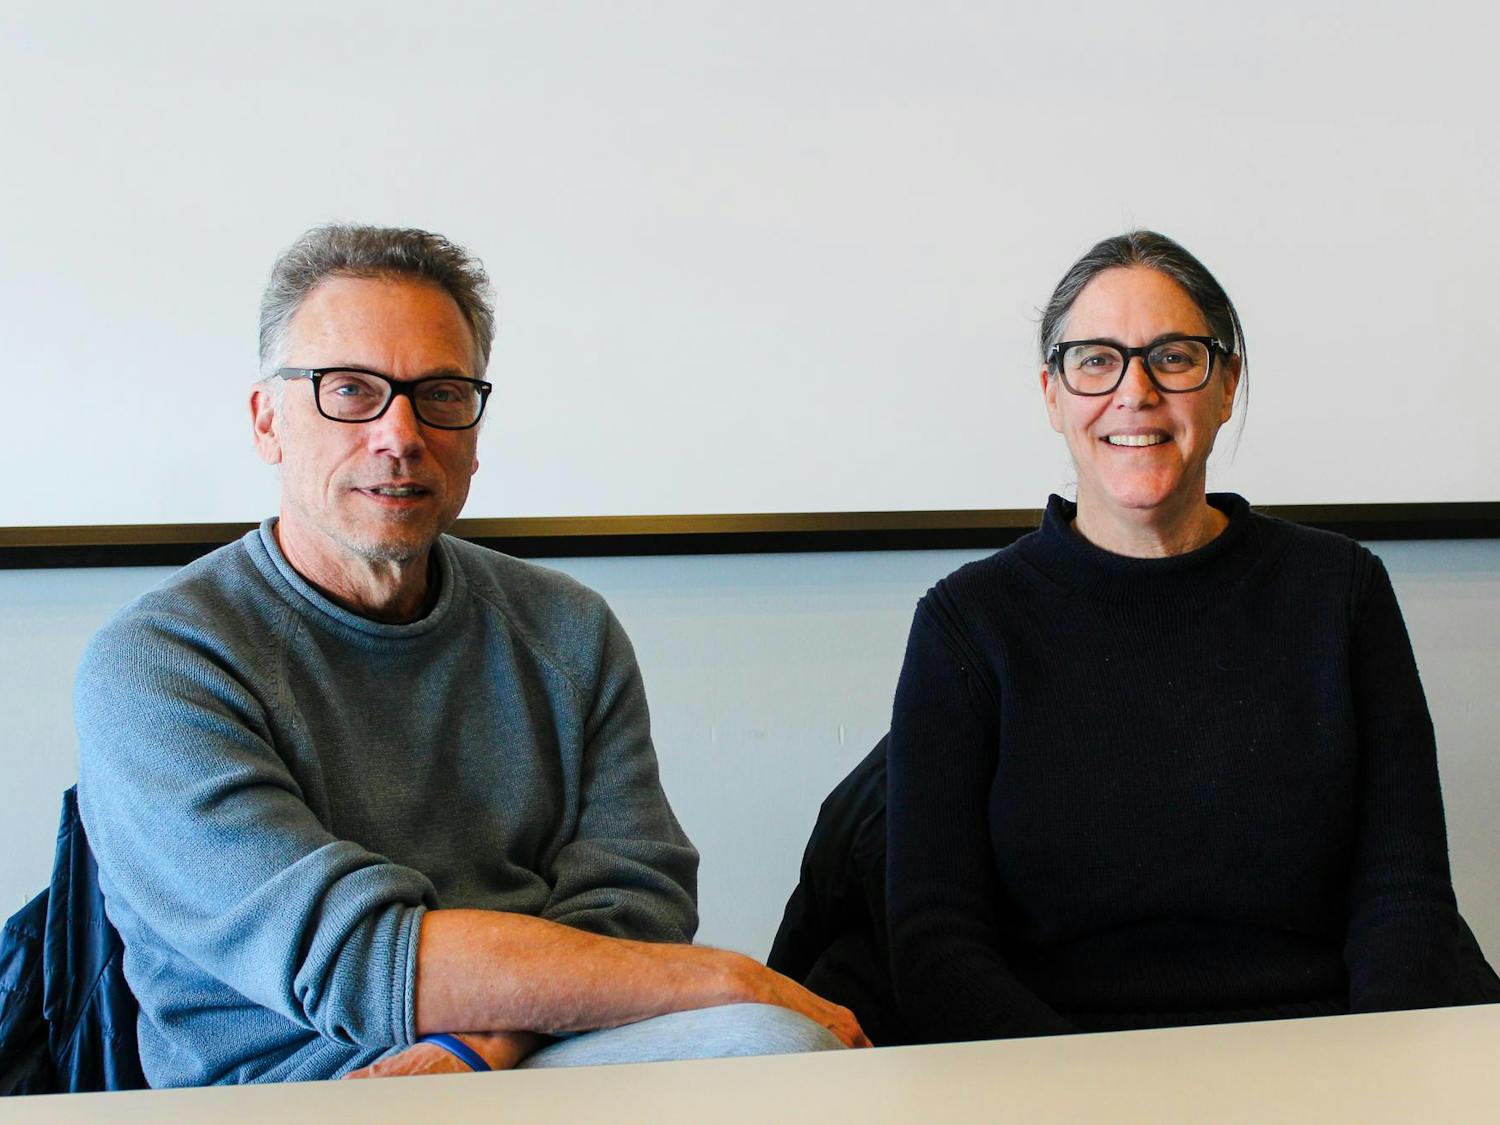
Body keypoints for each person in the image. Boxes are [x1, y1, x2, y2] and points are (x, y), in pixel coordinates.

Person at [75, 224, 866, 1088]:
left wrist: (483, 1046)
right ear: (268, 420)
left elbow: (637, 899)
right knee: (757, 1025)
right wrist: (717, 975)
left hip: (539, 1056)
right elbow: (357, 957)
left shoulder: (568, 628)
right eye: (351, 390)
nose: (401, 433)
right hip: (296, 1084)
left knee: (771, 1055)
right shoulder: (159, 662)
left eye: (441, 393)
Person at [880, 230, 1478, 1042]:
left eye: (1173, 356)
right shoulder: (968, 623)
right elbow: (935, 948)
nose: (1135, 392)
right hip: (1056, 1076)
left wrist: (1367, 1071)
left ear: (1226, 385)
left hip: (1322, 1052)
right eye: (1095, 360)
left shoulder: (1340, 594)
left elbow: (1405, 896)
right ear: (1052, 395)